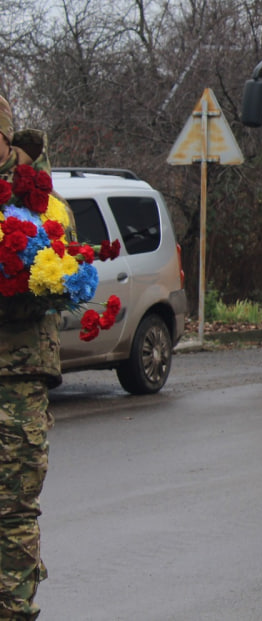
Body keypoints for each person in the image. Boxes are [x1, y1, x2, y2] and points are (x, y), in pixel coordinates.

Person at [0, 95, 59, 619]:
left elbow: (60, 265)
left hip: (15, 372)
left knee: (12, 506)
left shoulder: (35, 199)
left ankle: (14, 609)